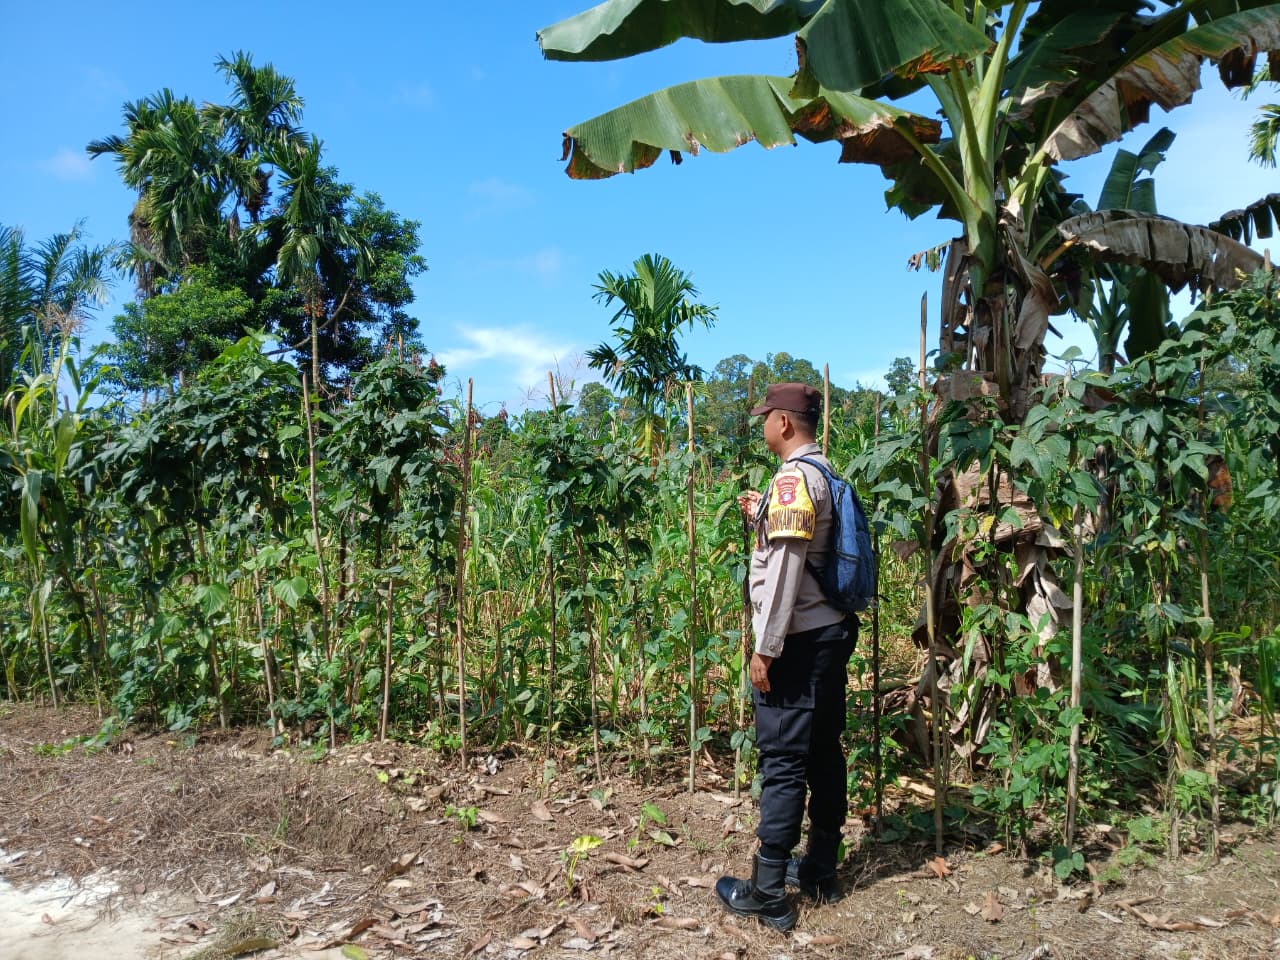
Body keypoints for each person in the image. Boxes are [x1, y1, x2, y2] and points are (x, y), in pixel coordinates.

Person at [715, 382, 857, 931]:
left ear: (786, 423)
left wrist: (765, 650)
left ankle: (768, 890)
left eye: (766, 417)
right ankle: (820, 868)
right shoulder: (825, 472)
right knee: (824, 748)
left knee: (781, 758)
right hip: (830, 634)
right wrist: (761, 515)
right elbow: (798, 544)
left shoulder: (795, 478)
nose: (762, 426)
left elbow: (785, 573)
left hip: (796, 641)